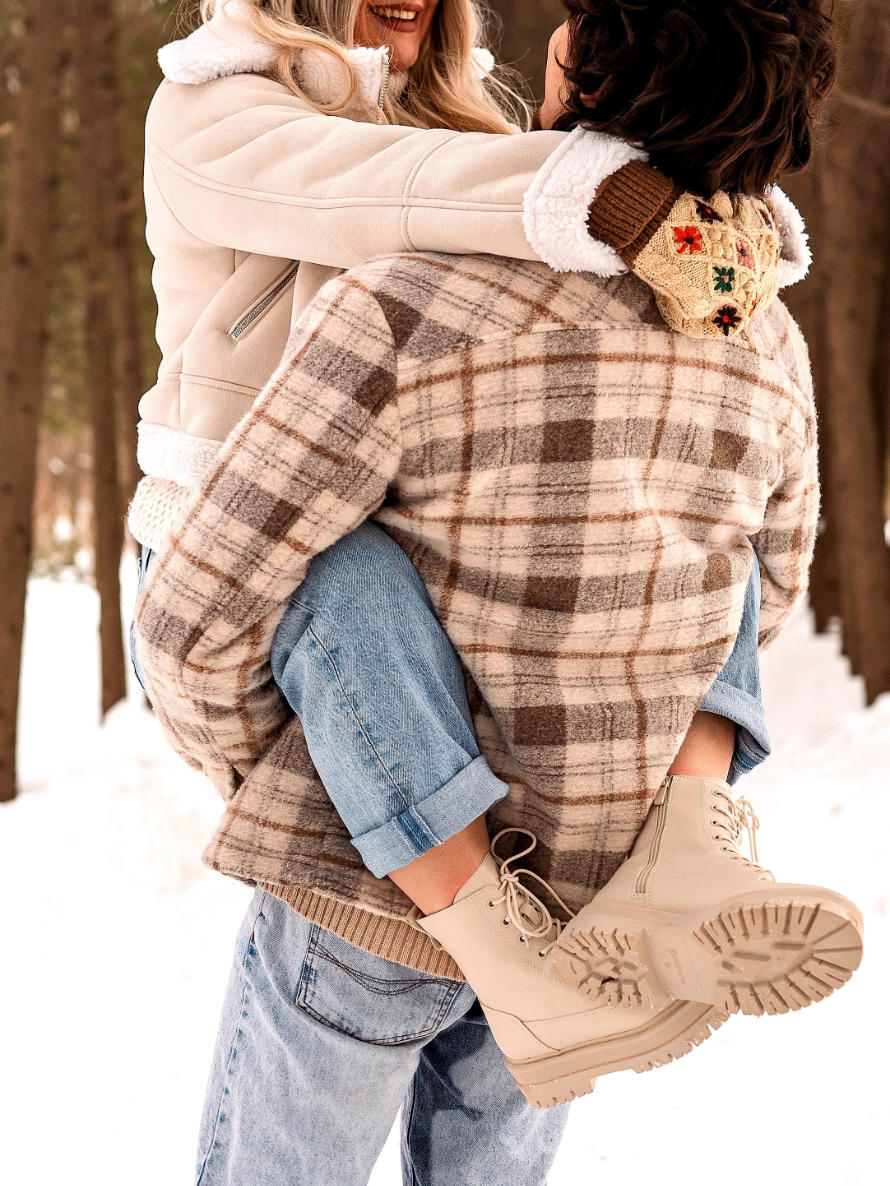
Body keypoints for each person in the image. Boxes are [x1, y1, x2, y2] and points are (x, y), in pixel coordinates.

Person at [130, 0, 862, 1181]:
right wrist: (665, 197)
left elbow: (201, 614)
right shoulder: (213, 110)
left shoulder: (433, 270)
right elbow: (377, 183)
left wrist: (316, 769)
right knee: (356, 559)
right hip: (363, 656)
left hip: (377, 802)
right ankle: (669, 841)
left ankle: (652, 864)